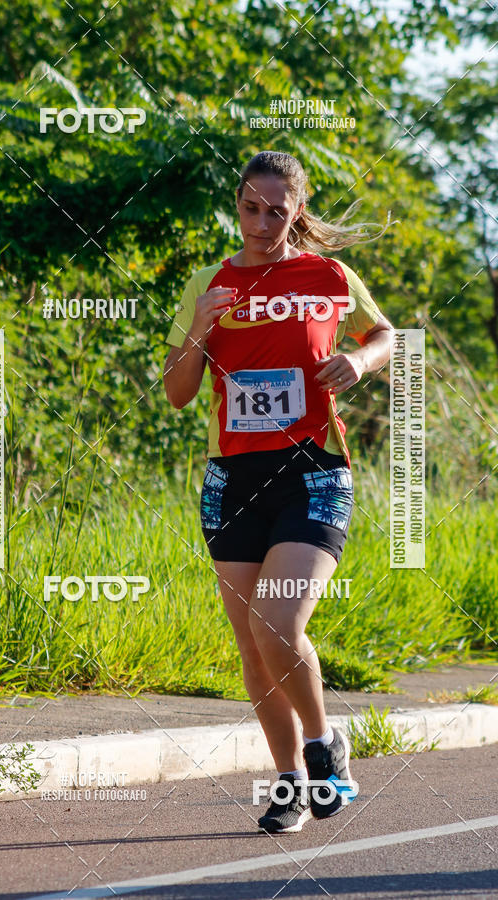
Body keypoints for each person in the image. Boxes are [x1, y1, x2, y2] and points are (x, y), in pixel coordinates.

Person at [163, 150, 394, 833]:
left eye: (277, 210)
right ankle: (289, 783)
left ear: (299, 207)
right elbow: (178, 394)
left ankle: (325, 746)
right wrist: (203, 326)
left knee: (278, 622)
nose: (262, 224)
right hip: (233, 477)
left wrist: (359, 358)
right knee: (252, 643)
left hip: (313, 471)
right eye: (250, 209)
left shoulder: (328, 276)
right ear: (237, 205)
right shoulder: (210, 281)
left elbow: (385, 333)